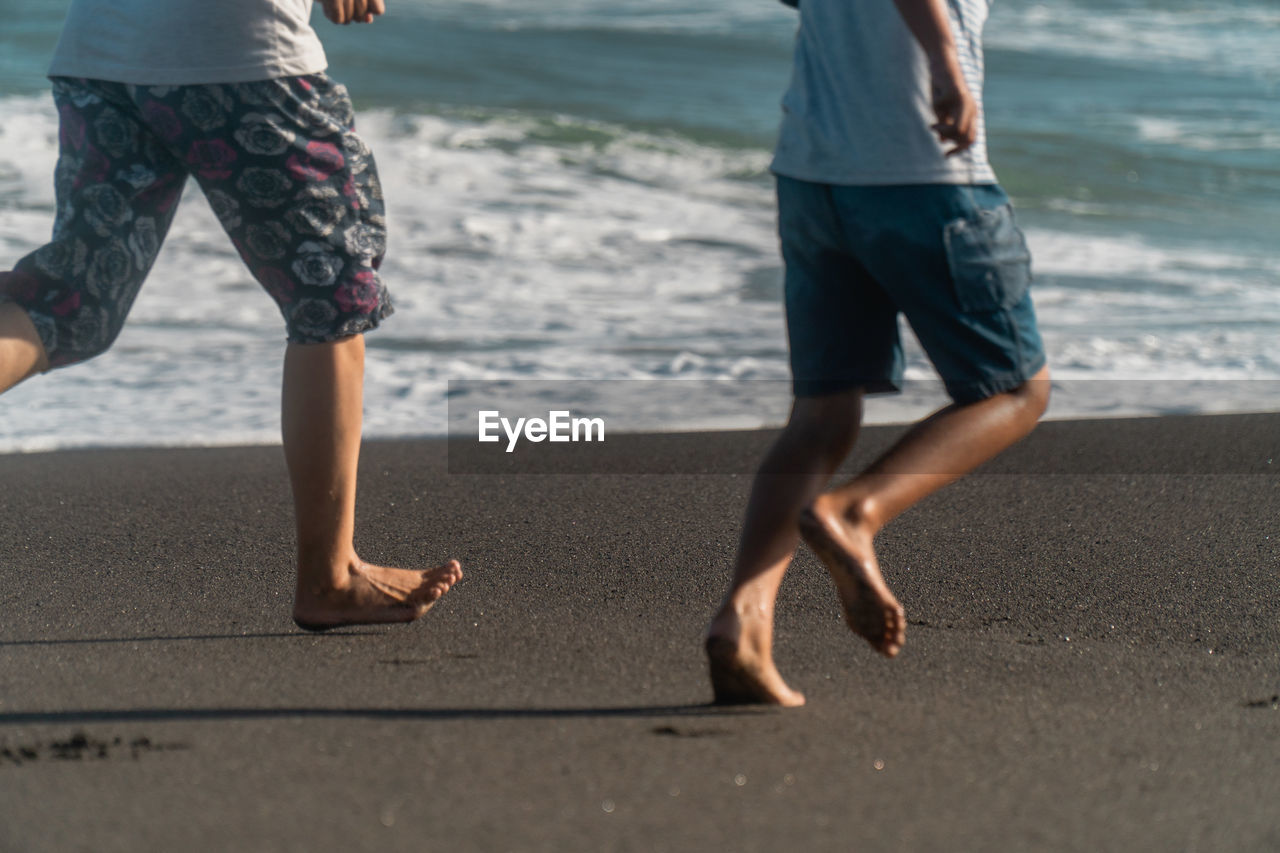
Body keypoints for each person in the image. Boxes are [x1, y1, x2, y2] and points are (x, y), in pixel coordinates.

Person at [0, 0, 462, 630]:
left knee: (71, 303)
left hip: (102, 50)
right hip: (234, 48)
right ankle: (330, 577)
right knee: (328, 296)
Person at [705, 0, 1050, 705]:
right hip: (920, 172)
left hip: (814, 178)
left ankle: (744, 619)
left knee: (822, 417)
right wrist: (946, 63)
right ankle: (857, 513)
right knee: (1016, 391)